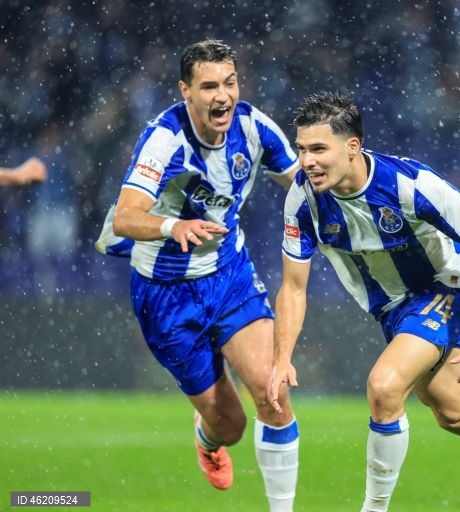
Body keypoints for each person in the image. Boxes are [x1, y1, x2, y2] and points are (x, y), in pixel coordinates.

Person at [267, 91, 460, 512]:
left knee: (384, 387)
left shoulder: (409, 184)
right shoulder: (302, 200)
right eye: (302, 149)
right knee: (455, 413)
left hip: (445, 286)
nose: (307, 162)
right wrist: (281, 358)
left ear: (352, 147)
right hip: (392, 309)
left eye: (318, 149)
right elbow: (293, 287)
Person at [96, 40, 300, 511]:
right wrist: (174, 226)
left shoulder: (254, 128)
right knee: (232, 427)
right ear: (185, 91)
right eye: (209, 86)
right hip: (166, 295)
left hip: (229, 276)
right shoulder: (164, 140)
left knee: (273, 395)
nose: (223, 96)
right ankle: (208, 437)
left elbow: (305, 188)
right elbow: (125, 217)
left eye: (230, 83)